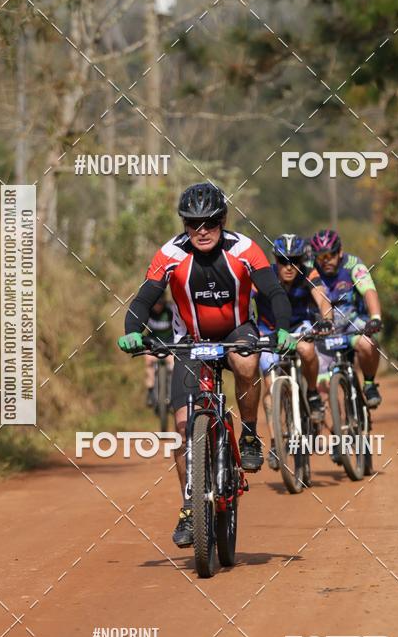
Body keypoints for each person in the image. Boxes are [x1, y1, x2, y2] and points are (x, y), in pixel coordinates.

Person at [117, 182, 295, 548]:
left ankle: (249, 434)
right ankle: (189, 507)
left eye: (210, 223)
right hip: (190, 340)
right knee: (184, 427)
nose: (201, 231)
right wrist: (132, 331)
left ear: (223, 220)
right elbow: (144, 298)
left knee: (246, 361)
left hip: (237, 331)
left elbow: (273, 291)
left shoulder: (244, 249)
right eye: (192, 223)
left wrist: (283, 328)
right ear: (183, 224)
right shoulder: (170, 254)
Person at [253, 234, 330, 470]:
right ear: (275, 260)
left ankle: (313, 393)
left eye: (294, 261)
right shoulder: (264, 275)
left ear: (301, 260)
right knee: (270, 384)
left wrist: (327, 320)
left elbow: (323, 301)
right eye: (283, 261)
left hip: (298, 327)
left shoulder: (309, 273)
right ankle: (276, 442)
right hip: (269, 330)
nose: (289, 266)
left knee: (307, 350)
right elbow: (243, 299)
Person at [309, 229, 383, 408]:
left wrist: (375, 317)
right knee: (322, 389)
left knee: (367, 344)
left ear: (340, 252)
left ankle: (369, 384)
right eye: (320, 257)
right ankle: (334, 419)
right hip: (324, 328)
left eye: (330, 255)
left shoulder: (353, 264)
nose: (325, 261)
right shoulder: (310, 268)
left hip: (352, 322)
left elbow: (368, 290)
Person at [144, 296, 174, 408]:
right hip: (152, 342)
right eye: (156, 304)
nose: (158, 306)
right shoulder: (148, 311)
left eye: (160, 304)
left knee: (173, 364)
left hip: (170, 342)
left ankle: (173, 391)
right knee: (148, 361)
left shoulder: (170, 310)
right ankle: (150, 391)